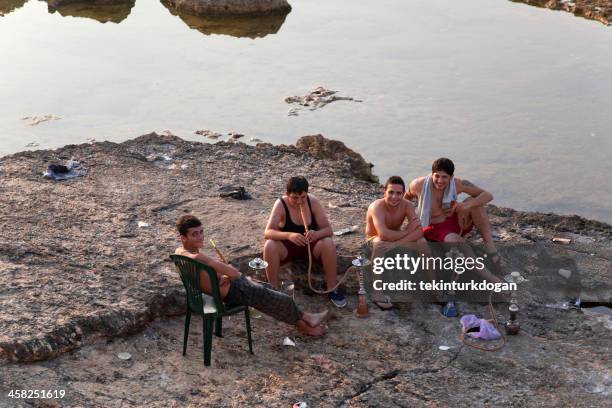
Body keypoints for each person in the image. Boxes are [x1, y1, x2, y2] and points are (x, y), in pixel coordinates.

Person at [174, 215, 328, 337]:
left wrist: (224, 277)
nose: (200, 236)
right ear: (183, 237)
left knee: (270, 290)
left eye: (201, 231)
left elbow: (210, 276)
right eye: (195, 234)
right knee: (281, 299)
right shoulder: (198, 258)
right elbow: (234, 273)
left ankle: (304, 320)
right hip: (234, 292)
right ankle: (306, 322)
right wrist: (230, 275)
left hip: (222, 288)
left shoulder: (179, 252)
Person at [406, 157, 502, 276]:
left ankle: (490, 247)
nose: (440, 181)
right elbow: (405, 200)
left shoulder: (458, 184)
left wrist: (467, 205)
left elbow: (487, 195)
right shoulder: (418, 185)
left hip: (456, 221)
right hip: (435, 227)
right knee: (459, 243)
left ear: (451, 177)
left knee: (476, 204)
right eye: (437, 176)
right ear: (432, 174)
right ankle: (489, 277)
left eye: (444, 177)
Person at [263, 176, 347, 308]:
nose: (299, 202)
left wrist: (317, 233)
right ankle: (273, 289)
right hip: (288, 248)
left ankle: (332, 288)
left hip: (310, 247)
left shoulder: (312, 202)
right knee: (269, 245)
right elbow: (268, 233)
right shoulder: (281, 204)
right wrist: (289, 235)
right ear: (287, 194)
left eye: (302, 197)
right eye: (295, 198)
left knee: (328, 243)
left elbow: (328, 230)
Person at [365, 176, 433, 309]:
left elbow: (419, 232)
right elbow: (383, 234)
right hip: (375, 240)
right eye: (391, 192)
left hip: (395, 241)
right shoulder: (376, 206)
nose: (394, 197)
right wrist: (408, 231)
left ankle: (433, 286)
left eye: (398, 193)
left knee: (422, 243)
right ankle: (377, 292)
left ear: (403, 194)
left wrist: (396, 244)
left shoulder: (407, 205)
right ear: (384, 191)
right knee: (380, 243)